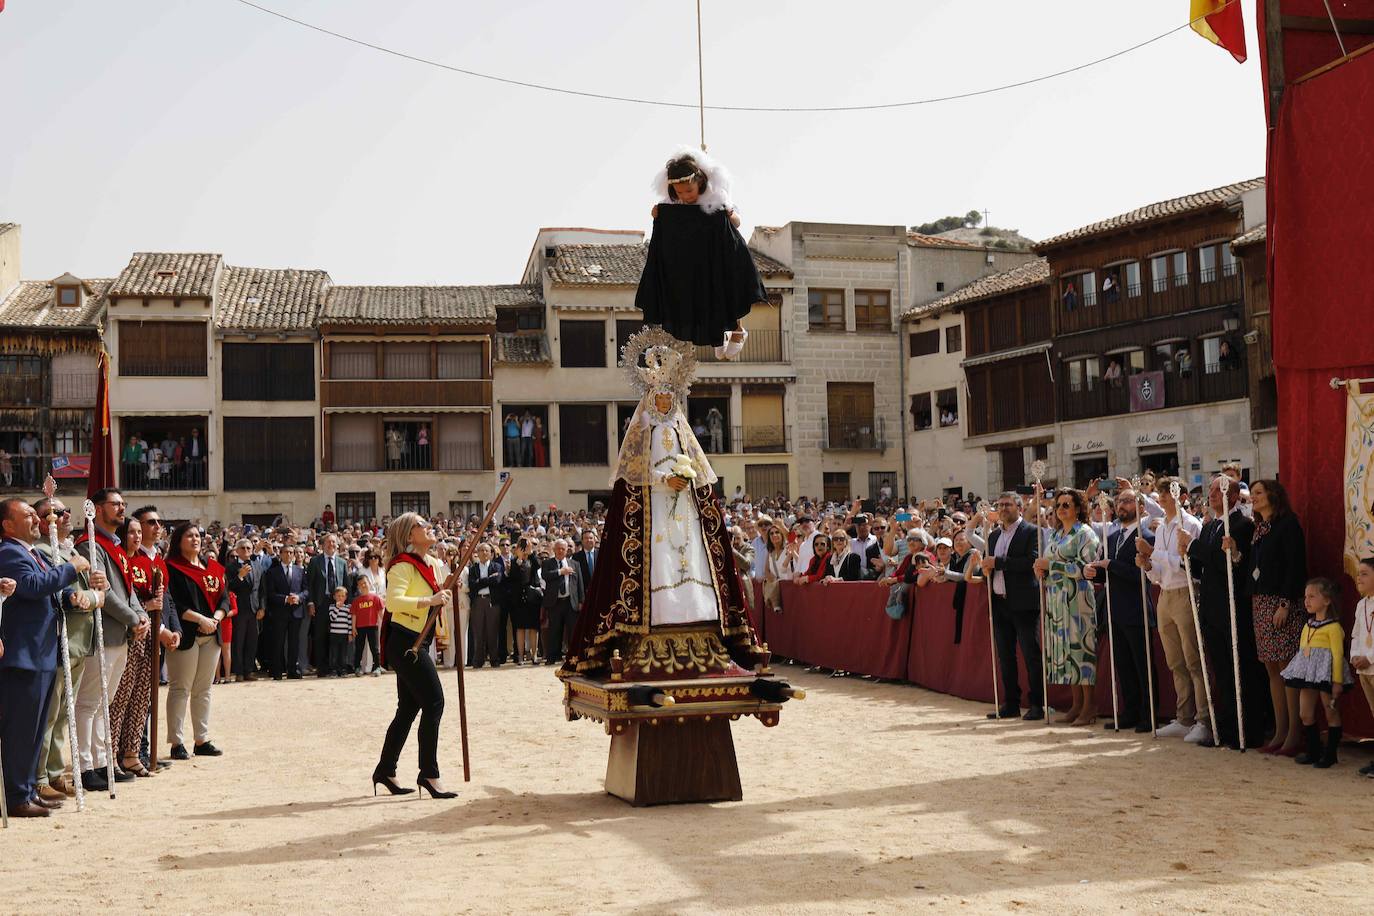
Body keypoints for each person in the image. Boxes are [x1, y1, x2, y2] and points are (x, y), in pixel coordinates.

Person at [636, 149, 765, 357]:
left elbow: (737, 224)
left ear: (700, 182)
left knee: (724, 284)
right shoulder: (672, 206)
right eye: (679, 193)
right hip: (693, 259)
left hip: (719, 253)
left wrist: (729, 213)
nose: (685, 196)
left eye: (689, 191)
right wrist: (658, 216)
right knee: (699, 291)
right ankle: (718, 334)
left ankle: (738, 330)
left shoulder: (716, 196)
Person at [0, 498, 76, 818]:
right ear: (7, 524)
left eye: (35, 515)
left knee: (35, 730)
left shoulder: (32, 552)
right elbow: (31, 586)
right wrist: (72, 569)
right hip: (22, 655)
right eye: (29, 515)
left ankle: (29, 788)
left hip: (42, 651)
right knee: (21, 730)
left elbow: (49, 592)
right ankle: (16, 795)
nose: (36, 520)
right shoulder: (8, 552)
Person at [374, 512, 455, 799]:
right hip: (406, 643)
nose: (429, 526)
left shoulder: (432, 563)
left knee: (408, 710)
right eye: (422, 525)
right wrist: (429, 600)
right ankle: (429, 774)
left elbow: (439, 594)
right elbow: (394, 601)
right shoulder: (401, 566)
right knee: (434, 703)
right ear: (410, 536)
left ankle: (385, 770)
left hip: (422, 640)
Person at [71, 488, 149, 789]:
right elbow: (104, 593)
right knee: (88, 702)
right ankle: (86, 766)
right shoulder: (91, 543)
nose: (121, 508)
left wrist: (140, 615)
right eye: (114, 504)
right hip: (100, 632)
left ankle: (103, 762)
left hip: (120, 634)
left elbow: (127, 590)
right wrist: (133, 618)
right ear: (98, 508)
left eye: (123, 504)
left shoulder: (115, 546)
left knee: (105, 701)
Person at [1182, 475, 1267, 749]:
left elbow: (1227, 564)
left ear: (1232, 496)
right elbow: (1203, 568)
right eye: (1210, 491)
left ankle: (1248, 729)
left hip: (1232, 609)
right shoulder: (1209, 527)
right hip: (1210, 608)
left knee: (1239, 669)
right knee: (1220, 671)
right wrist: (1187, 558)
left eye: (1219, 491)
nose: (1212, 496)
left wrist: (1194, 547)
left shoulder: (1242, 525)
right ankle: (1227, 727)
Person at [32, 496, 99, 801]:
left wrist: (95, 591)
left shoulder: (72, 550)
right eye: (54, 513)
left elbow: (94, 594)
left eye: (64, 510)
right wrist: (80, 595)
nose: (64, 515)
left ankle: (56, 772)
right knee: (50, 713)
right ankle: (40, 775)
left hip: (79, 638)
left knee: (64, 714)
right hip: (59, 638)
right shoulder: (43, 553)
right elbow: (58, 592)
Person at [1137, 478, 1209, 744]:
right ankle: (1184, 717)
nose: (1164, 497)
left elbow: (1187, 566)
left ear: (1182, 496)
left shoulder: (1191, 524)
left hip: (1186, 593)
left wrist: (1153, 555)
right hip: (1165, 595)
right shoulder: (1160, 529)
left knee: (1193, 660)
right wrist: (1147, 565)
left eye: (1169, 493)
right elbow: (1158, 573)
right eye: (1163, 493)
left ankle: (1203, 719)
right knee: (1175, 661)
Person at [1244, 479, 1307, 755]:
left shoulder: (1288, 524)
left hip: (1283, 603)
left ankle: (1295, 733)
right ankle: (1280, 732)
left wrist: (1285, 603)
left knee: (1287, 666)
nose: (1253, 498)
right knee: (1271, 668)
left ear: (1273, 495)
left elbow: (1294, 565)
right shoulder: (1260, 529)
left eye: (1258, 493)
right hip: (1261, 602)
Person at [1085, 488, 1156, 732]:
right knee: (1123, 665)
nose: (1121, 505)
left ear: (1141, 507)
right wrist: (1094, 571)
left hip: (1136, 609)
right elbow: (1106, 570)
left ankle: (1149, 714)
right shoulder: (1112, 537)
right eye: (1119, 501)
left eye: (1127, 501)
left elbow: (1142, 575)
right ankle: (1131, 710)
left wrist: (1111, 565)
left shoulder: (1146, 536)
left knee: (1142, 665)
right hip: (1114, 609)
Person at [1033, 488, 1100, 726]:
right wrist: (1040, 569)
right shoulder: (1055, 535)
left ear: (1078, 508)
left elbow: (1086, 568)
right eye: (1058, 505)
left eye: (1066, 505)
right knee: (1066, 652)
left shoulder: (1086, 534)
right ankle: (1076, 704)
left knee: (1081, 651)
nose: (1061, 509)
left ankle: (1090, 705)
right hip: (1056, 599)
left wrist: (1051, 567)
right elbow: (1047, 562)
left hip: (1078, 599)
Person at [108, 516, 168, 777]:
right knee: (120, 698)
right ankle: (111, 754)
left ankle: (132, 752)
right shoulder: (122, 560)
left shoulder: (150, 563)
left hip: (147, 636)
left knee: (142, 697)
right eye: (131, 532)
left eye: (137, 532)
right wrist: (146, 609)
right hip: (127, 636)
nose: (136, 536)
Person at [979, 492, 1045, 721]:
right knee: (1005, 657)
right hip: (999, 602)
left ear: (1019, 507)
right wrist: (985, 569)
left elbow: (1031, 562)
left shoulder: (1031, 531)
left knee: (1030, 655)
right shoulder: (993, 535)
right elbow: (987, 566)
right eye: (1001, 505)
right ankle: (1011, 703)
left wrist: (997, 563)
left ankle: (1037, 704)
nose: (1004, 508)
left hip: (1025, 603)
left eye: (1008, 504)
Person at [164, 523, 227, 759]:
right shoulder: (172, 568)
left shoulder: (213, 568)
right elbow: (174, 603)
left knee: (204, 689)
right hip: (186, 633)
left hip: (212, 634)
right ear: (178, 541)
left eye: (198, 536)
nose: (195, 539)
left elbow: (224, 600)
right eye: (189, 536)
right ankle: (176, 742)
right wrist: (200, 619)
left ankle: (201, 739)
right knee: (181, 688)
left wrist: (215, 619)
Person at [1280, 578, 1350, 768]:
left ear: (1326, 600)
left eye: (1312, 596)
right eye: (1305, 597)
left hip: (1326, 674)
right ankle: (1313, 750)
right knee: (1305, 713)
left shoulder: (1334, 628)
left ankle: (1331, 754)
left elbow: (1337, 654)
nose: (1307, 601)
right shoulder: (1308, 625)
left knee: (1330, 711)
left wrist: (1337, 682)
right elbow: (1304, 650)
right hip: (1308, 674)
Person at [307, 534, 348, 678]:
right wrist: (311, 602)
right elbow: (310, 584)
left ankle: (337, 667)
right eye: (329, 542)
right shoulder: (315, 561)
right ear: (323, 545)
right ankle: (322, 669)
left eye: (334, 542)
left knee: (337, 637)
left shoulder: (342, 562)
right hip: (321, 603)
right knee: (320, 637)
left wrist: (345, 605)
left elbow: (346, 584)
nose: (331, 544)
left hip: (338, 604)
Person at [265, 545, 308, 679]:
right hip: (279, 612)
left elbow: (306, 590)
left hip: (296, 611)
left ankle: (292, 670)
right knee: (278, 641)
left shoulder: (300, 571)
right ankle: (277, 670)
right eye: (286, 552)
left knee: (294, 642)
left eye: (291, 552)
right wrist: (285, 599)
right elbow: (270, 594)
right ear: (281, 554)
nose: (289, 554)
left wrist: (299, 597)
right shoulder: (273, 572)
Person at [540, 538, 584, 666]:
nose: (560, 551)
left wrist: (581, 600)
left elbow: (579, 584)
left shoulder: (574, 564)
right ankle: (552, 656)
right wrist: (561, 572)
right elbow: (545, 575)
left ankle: (573, 658)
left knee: (572, 631)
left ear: (567, 550)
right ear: (554, 550)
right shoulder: (548, 563)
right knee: (554, 631)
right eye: (558, 548)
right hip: (555, 603)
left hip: (571, 602)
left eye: (563, 549)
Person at [1349, 558, 1374, 776]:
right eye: (1358, 573)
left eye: (1365, 573)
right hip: (1364, 669)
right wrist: (1355, 655)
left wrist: (1370, 657)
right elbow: (1356, 634)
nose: (1359, 577)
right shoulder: (1361, 604)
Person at [225, 538, 258, 682]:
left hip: (254, 609)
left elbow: (261, 587)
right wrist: (240, 576)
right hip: (239, 609)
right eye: (243, 548)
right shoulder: (231, 567)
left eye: (248, 548)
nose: (246, 551)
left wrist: (262, 606)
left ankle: (249, 670)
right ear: (237, 551)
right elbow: (228, 587)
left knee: (252, 641)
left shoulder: (256, 565)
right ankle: (238, 672)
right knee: (238, 642)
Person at [466, 543, 504, 668]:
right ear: (478, 553)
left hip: (492, 601)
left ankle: (494, 659)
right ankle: (478, 660)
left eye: (486, 550)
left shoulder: (497, 566)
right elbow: (472, 584)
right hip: (478, 601)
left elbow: (497, 581)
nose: (484, 553)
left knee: (492, 632)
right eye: (481, 550)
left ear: (491, 553)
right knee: (478, 632)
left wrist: (480, 582)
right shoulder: (473, 568)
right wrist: (488, 579)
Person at [506, 538, 542, 665]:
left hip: (532, 598)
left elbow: (538, 566)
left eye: (527, 546)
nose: (525, 548)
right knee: (520, 628)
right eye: (522, 546)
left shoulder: (533, 559)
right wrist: (519, 559)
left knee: (533, 628)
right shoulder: (514, 561)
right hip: (519, 599)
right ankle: (520, 656)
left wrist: (531, 553)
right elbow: (513, 577)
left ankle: (534, 655)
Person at [350, 575, 384, 676]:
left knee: (375, 648)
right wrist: (353, 627)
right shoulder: (356, 601)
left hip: (373, 626)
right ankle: (357, 667)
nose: (363, 585)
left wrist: (386, 625)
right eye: (361, 584)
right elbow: (354, 615)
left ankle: (377, 667)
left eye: (365, 583)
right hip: (360, 627)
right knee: (359, 648)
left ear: (369, 583)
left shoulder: (376, 598)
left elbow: (381, 613)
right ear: (358, 587)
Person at [326, 585, 352, 677]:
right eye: (338, 596)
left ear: (345, 597)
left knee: (343, 654)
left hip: (344, 634)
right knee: (334, 654)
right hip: (334, 634)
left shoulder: (348, 608)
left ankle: (343, 670)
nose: (340, 598)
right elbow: (332, 618)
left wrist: (350, 634)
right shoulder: (332, 607)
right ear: (334, 597)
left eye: (342, 596)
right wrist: (337, 608)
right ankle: (333, 670)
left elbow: (349, 621)